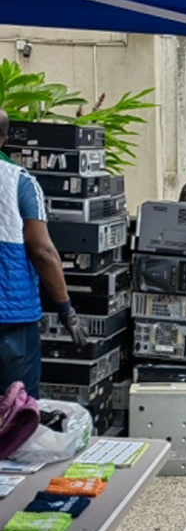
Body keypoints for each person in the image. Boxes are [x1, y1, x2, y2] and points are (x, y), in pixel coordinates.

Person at [0, 109, 88, 398]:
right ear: (4, 139)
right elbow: (43, 251)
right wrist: (67, 311)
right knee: (15, 416)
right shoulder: (18, 181)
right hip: (10, 319)